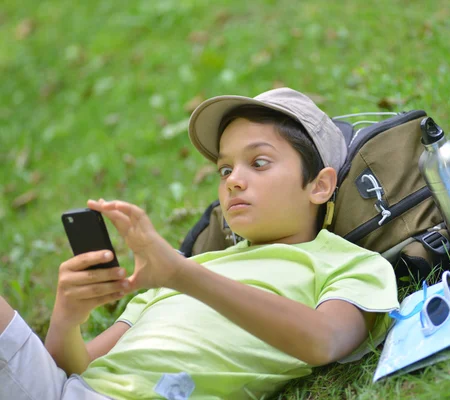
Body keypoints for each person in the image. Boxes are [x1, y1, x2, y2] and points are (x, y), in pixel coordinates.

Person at [0, 88, 400, 399]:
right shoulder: (190, 268)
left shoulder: (350, 263)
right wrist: (66, 318)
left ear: (320, 185)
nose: (233, 180)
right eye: (225, 168)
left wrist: (183, 274)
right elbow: (72, 370)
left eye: (258, 162)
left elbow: (326, 340)